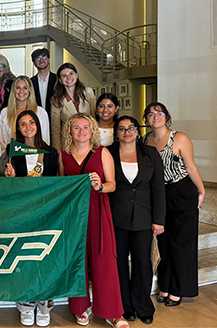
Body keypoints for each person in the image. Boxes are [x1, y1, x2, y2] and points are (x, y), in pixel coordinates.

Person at [60, 113, 129, 328]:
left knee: (104, 260)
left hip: (98, 209)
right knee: (77, 260)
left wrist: (99, 186)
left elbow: (113, 185)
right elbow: (61, 185)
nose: (81, 132)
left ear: (92, 131)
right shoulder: (63, 155)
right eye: (76, 128)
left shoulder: (102, 153)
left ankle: (112, 312)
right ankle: (81, 308)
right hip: (73, 214)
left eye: (85, 128)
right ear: (70, 131)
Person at [0, 110, 57, 327]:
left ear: (38, 125)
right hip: (21, 211)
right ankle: (25, 304)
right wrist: (10, 177)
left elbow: (56, 183)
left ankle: (44, 304)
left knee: (43, 257)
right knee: (22, 257)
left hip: (45, 212)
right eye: (23, 124)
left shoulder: (51, 152)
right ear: (18, 129)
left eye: (31, 122)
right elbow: (9, 183)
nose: (28, 127)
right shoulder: (12, 150)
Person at [143, 102, 205, 307]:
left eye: (159, 113)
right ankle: (166, 285)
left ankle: (179, 289)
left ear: (166, 116)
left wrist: (202, 190)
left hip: (181, 192)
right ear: (146, 119)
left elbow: (191, 167)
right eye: (151, 114)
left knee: (181, 243)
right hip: (159, 195)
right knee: (164, 243)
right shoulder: (146, 140)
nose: (155, 117)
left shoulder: (179, 138)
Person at [108, 116, 165, 325]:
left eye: (131, 128)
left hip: (144, 217)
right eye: (122, 129)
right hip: (117, 217)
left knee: (142, 263)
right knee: (119, 263)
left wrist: (159, 219)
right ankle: (126, 306)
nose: (127, 132)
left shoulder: (150, 153)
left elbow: (158, 188)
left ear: (137, 131)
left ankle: (143, 305)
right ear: (116, 133)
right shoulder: (109, 153)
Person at [51, 63, 96, 154]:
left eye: (71, 73)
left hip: (88, 142)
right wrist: (58, 152)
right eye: (64, 76)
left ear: (76, 75)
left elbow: (94, 118)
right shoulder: (56, 100)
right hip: (68, 145)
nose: (68, 78)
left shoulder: (88, 92)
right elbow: (55, 129)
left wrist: (95, 142)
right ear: (60, 80)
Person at [0, 76, 50, 151]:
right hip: (10, 157)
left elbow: (45, 141)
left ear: (30, 90)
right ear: (13, 90)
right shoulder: (4, 112)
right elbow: (1, 141)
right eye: (18, 88)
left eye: (25, 88)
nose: (21, 91)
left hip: (35, 157)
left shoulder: (41, 112)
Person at [30, 48, 56, 119]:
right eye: (37, 59)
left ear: (49, 60)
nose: (41, 60)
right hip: (37, 120)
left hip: (55, 120)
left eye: (44, 57)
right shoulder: (30, 83)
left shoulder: (58, 80)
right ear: (33, 63)